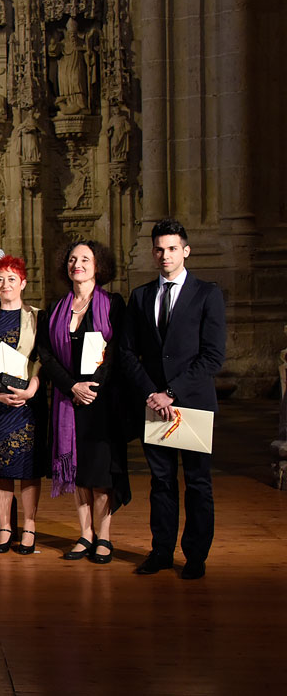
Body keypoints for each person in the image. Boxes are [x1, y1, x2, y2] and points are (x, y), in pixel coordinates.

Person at [118, 220, 226, 580]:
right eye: (160, 249)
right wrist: (152, 392)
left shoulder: (207, 294)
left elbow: (213, 357)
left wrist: (172, 392)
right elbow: (127, 352)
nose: (165, 255)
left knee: (197, 482)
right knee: (161, 482)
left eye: (173, 249)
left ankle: (195, 556)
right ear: (153, 252)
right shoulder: (142, 296)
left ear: (186, 251)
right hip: (154, 405)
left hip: (191, 402)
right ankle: (161, 551)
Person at [36, 240, 129, 564]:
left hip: (101, 402)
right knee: (77, 471)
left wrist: (93, 387)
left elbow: (116, 351)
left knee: (100, 473)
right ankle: (85, 533)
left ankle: (104, 535)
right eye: (72, 258)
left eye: (85, 259)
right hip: (68, 399)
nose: (78, 263)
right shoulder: (56, 308)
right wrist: (72, 386)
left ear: (98, 265)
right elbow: (46, 355)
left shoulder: (113, 304)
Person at [0, 257, 46, 555]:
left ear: (23, 283)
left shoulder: (39, 316)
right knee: (1, 467)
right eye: (0, 279)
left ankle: (28, 526)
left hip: (27, 403)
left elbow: (44, 357)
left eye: (12, 279)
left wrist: (31, 388)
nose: (6, 285)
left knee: (28, 468)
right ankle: (5, 526)